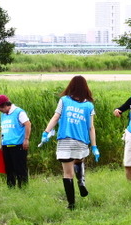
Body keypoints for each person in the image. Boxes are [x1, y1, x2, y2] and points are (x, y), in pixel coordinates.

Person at [41, 75, 99, 210]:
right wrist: (94, 147)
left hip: (65, 142)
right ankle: (81, 182)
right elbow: (91, 128)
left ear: (71, 86)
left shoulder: (64, 100)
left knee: (67, 174)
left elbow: (56, 117)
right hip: (81, 143)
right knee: (78, 161)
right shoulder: (89, 105)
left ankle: (71, 204)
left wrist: (46, 132)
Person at [0, 94, 32, 188]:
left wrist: (26, 139)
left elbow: (28, 124)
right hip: (6, 145)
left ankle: (23, 187)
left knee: (20, 168)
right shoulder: (3, 115)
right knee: (9, 169)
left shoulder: (19, 112)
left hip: (18, 145)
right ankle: (11, 187)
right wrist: (1, 143)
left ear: (5, 105)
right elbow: (3, 130)